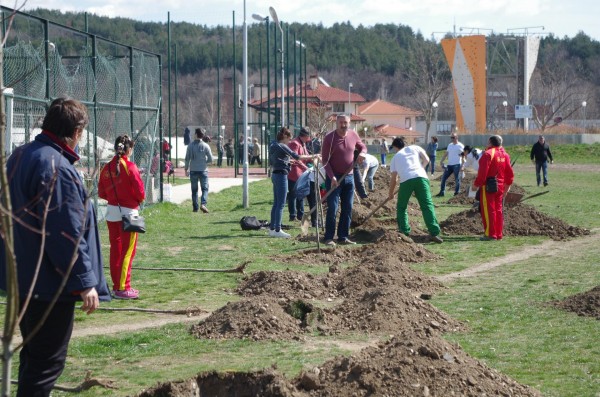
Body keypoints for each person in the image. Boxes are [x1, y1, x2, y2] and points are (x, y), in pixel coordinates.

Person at [0, 97, 110, 396]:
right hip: (48, 284)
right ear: (76, 132)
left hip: (21, 277)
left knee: (33, 359)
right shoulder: (57, 168)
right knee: (46, 364)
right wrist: (84, 282)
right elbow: (64, 232)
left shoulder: (20, 156)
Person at [98, 135, 146, 299]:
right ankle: (123, 287)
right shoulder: (130, 166)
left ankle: (116, 285)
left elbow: (101, 191)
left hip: (112, 211)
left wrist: (113, 199)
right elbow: (140, 192)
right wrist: (137, 200)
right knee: (128, 251)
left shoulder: (106, 167)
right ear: (129, 149)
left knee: (115, 250)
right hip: (130, 212)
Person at [321, 114, 367, 246]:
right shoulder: (329, 138)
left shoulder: (353, 135)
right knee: (333, 208)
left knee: (348, 207)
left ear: (349, 123)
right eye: (341, 123)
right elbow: (325, 161)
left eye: (346, 123)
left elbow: (362, 146)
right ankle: (329, 237)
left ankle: (343, 236)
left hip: (349, 177)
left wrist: (363, 153)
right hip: (334, 178)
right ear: (337, 123)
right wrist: (332, 176)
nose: (343, 125)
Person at [388, 137, 443, 243]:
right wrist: (420, 169)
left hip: (406, 180)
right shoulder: (415, 147)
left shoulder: (395, 157)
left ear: (395, 147)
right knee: (427, 205)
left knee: (401, 207)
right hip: (421, 177)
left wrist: (390, 193)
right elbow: (427, 160)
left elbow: (394, 179)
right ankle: (434, 232)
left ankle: (404, 232)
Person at [269, 127, 316, 238]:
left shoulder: (273, 145)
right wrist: (314, 156)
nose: (289, 142)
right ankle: (277, 230)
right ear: (285, 137)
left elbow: (277, 159)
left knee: (276, 203)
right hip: (282, 176)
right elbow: (297, 156)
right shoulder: (283, 146)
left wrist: (287, 161)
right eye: (289, 139)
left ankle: (272, 228)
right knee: (280, 204)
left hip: (275, 174)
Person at [472, 135, 514, 241]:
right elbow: (509, 173)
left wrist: (476, 184)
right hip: (500, 186)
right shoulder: (505, 155)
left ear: (490, 142)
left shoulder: (488, 154)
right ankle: (498, 234)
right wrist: (507, 186)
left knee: (488, 210)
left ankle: (490, 234)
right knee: (498, 210)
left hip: (488, 186)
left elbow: (482, 173)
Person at [287, 128, 314, 222]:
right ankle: (293, 215)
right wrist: (305, 167)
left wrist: (313, 159)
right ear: (305, 136)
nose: (309, 139)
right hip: (294, 173)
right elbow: (295, 158)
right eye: (308, 136)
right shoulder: (295, 143)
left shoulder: (302, 143)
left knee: (301, 194)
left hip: (300, 173)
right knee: (293, 194)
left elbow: (306, 155)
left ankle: (300, 214)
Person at [184, 128, 213, 213]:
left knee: (194, 190)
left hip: (193, 170)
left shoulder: (190, 145)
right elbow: (211, 159)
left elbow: (187, 159)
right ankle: (203, 204)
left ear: (196, 134)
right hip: (203, 170)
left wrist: (186, 169)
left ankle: (195, 208)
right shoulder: (206, 146)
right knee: (205, 189)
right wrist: (204, 162)